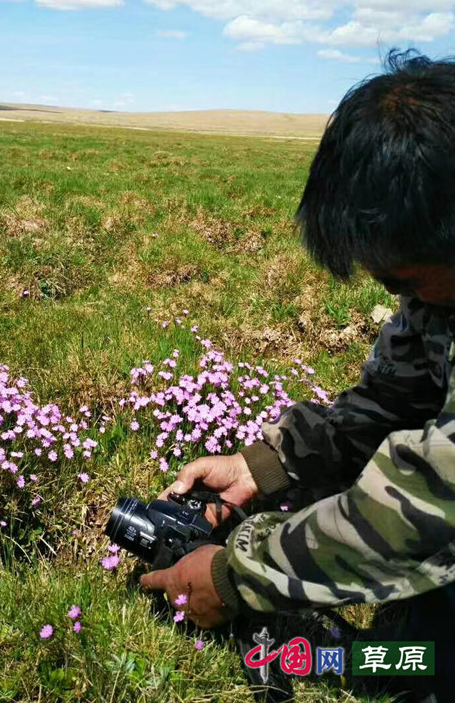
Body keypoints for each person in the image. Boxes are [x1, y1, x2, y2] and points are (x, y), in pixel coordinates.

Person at [139, 50, 455, 702]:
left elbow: (428, 502)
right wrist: (266, 464)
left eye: (401, 275)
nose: (393, 291)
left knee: (428, 668)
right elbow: (391, 402)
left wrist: (233, 578)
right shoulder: (440, 290)